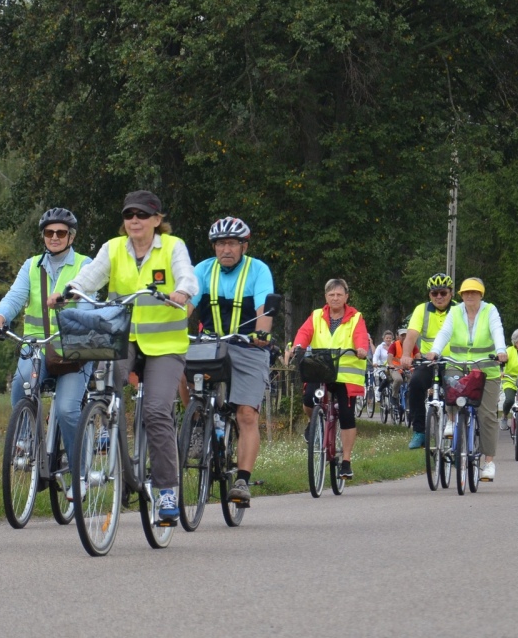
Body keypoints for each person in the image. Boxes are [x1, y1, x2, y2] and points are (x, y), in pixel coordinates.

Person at [50, 190, 197, 524]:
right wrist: (70, 291)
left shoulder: (173, 247)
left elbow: (187, 274)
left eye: (142, 215)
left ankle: (166, 490)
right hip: (123, 336)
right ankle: (105, 430)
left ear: (157, 221)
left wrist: (183, 291)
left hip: (165, 346)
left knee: (157, 411)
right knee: (106, 386)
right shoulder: (113, 248)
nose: (134, 220)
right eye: (129, 214)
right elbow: (92, 276)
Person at [0, 208, 91, 478]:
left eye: (61, 232)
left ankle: (80, 473)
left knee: (66, 409)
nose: (54, 237)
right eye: (49, 232)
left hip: (72, 349)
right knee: (21, 383)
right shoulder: (31, 265)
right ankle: (27, 439)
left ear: (71, 236)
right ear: (43, 235)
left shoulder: (85, 265)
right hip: (38, 345)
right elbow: (15, 296)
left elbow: (88, 298)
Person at [189, 216, 275, 506]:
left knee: (246, 414)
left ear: (243, 245)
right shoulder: (201, 269)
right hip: (209, 344)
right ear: (214, 246)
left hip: (248, 346)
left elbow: (265, 307)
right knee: (175, 363)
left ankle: (242, 480)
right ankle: (196, 419)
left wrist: (262, 332)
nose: (226, 249)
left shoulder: (258, 270)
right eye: (221, 244)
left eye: (232, 243)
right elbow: (187, 304)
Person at [424, 277, 507, 481]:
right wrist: (435, 350)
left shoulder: (490, 311)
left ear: (481, 295)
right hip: (458, 365)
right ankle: (452, 421)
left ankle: (488, 462)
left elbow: (497, 330)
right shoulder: (455, 311)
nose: (470, 296)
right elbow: (445, 332)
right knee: (451, 386)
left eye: (474, 292)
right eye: (466, 293)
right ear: (461, 295)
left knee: (487, 415)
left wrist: (501, 350)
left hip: (486, 369)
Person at [291, 279, 370, 479]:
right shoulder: (317, 315)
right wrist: (298, 346)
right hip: (321, 370)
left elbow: (361, 336)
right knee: (309, 398)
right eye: (331, 295)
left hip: (345, 376)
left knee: (346, 413)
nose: (335, 298)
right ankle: (313, 422)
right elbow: (304, 332)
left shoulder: (356, 317)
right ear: (326, 297)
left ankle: (346, 461)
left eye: (339, 294)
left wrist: (361, 349)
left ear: (346, 296)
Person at [399, 273, 455, 449]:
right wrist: (406, 354)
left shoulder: (459, 310)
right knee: (415, 384)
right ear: (429, 295)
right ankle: (420, 431)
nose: (438, 297)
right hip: (428, 360)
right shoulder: (421, 310)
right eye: (434, 293)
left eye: (443, 293)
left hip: (454, 361)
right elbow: (411, 335)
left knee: (457, 392)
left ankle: (458, 439)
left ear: (451, 293)